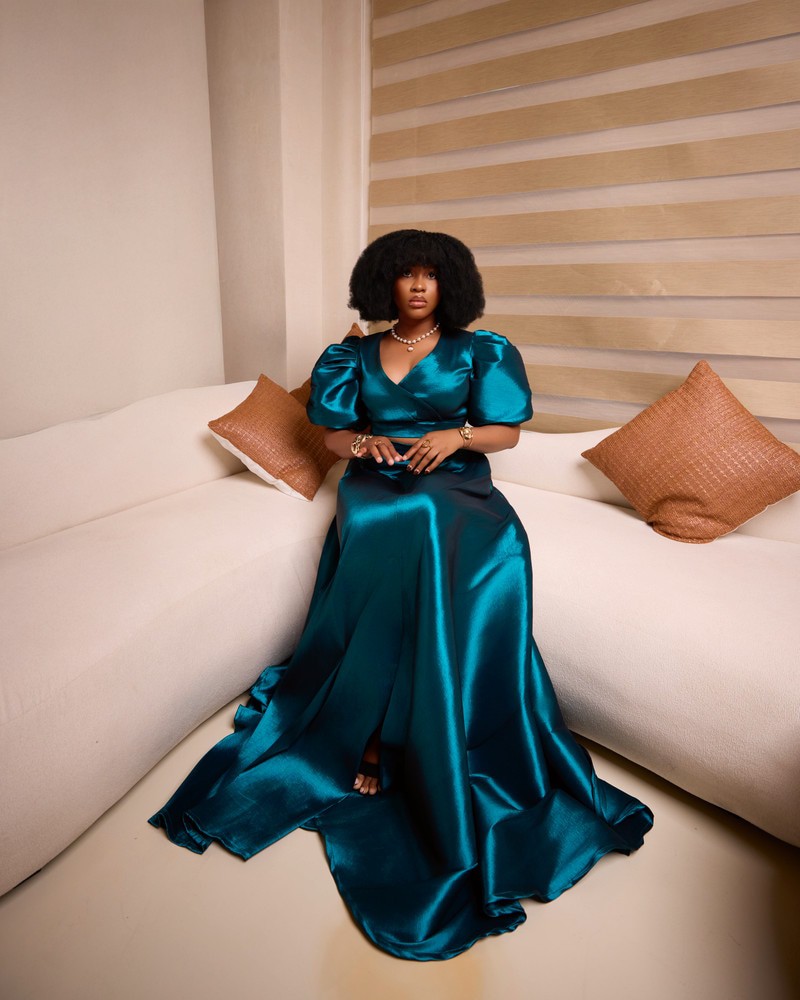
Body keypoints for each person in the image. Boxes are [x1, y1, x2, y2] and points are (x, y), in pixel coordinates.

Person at [149, 229, 653, 961]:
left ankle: (422, 736)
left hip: (456, 487)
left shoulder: (483, 351)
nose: (417, 286)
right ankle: (371, 733)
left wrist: (457, 437)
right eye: (405, 274)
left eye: (431, 275)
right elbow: (332, 437)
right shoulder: (349, 356)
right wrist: (362, 445)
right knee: (397, 522)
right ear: (383, 283)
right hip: (376, 488)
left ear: (451, 285)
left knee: (447, 529)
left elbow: (506, 433)